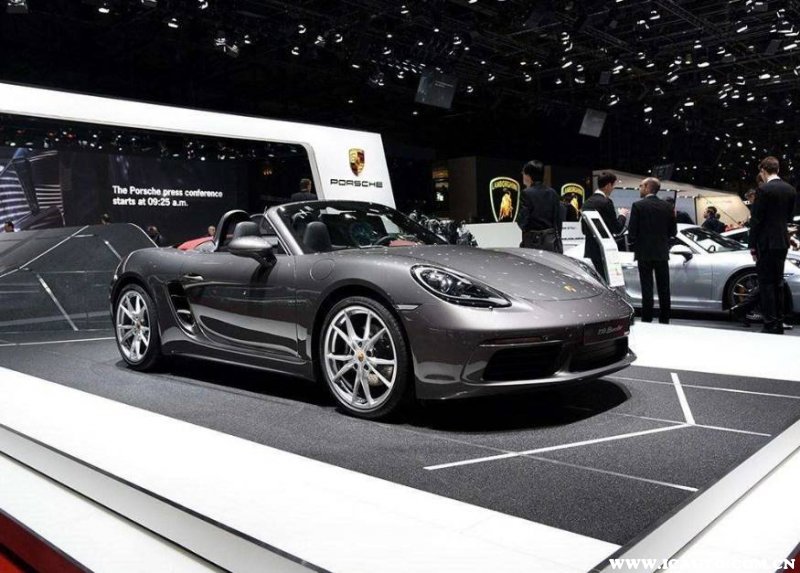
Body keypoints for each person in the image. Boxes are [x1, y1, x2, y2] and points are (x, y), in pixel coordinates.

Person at [748, 156, 797, 334]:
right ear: (778, 169)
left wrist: (752, 245)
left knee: (766, 284)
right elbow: (788, 217)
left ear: (763, 170)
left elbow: (756, 221)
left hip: (766, 243)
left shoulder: (763, 190)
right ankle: (779, 321)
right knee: (778, 282)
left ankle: (770, 323)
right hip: (782, 242)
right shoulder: (790, 189)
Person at [628, 177, 677, 324]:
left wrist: (634, 244)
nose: (639, 188)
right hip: (661, 252)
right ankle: (665, 320)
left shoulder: (638, 205)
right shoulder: (667, 207)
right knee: (664, 288)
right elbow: (673, 231)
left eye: (641, 186)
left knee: (646, 288)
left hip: (644, 253)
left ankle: (647, 319)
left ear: (647, 187)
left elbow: (632, 232)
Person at [581, 171, 627, 281]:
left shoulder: (587, 202)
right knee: (607, 282)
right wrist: (622, 215)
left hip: (590, 250)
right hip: (604, 251)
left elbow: (584, 230)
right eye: (613, 186)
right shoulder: (606, 202)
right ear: (608, 185)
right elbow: (617, 229)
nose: (612, 189)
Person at [517, 160, 562, 252]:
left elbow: (522, 221)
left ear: (528, 175)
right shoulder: (553, 193)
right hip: (550, 241)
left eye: (523, 173)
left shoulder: (526, 193)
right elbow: (557, 220)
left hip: (532, 241)